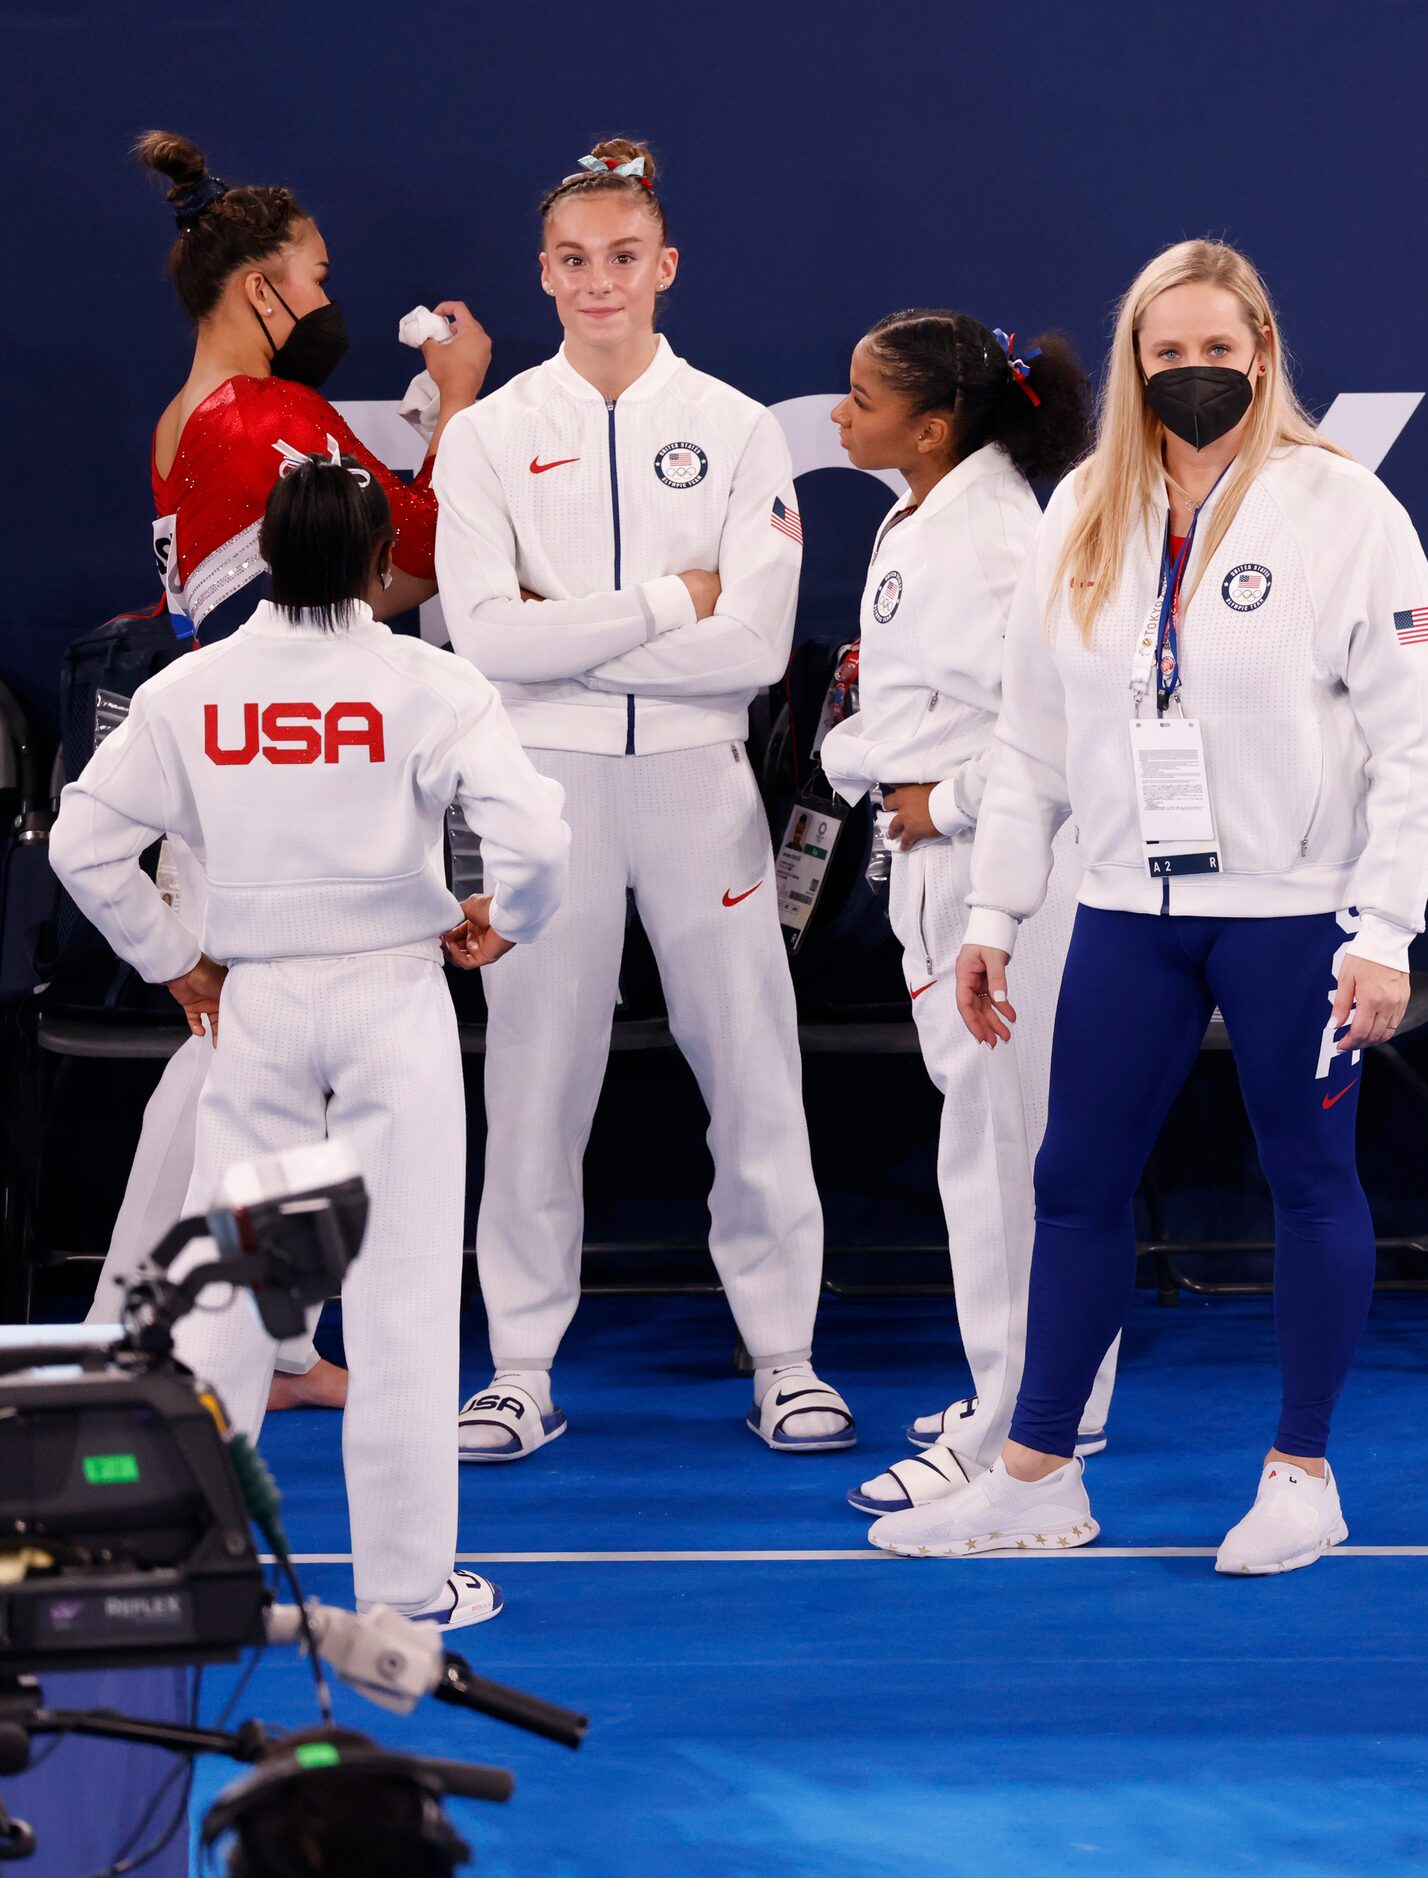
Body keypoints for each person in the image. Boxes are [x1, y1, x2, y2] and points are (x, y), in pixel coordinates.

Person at [866, 238, 1428, 1572]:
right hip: (1129, 900)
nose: (1194, 373)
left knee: (1307, 1180)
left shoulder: (1345, 510)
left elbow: (1417, 739)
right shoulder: (1082, 506)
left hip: (1295, 908)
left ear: (1262, 354)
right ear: (1135, 363)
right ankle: (1035, 1475)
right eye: (1166, 352)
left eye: (1217, 350)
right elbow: (1027, 741)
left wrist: (1383, 932)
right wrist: (995, 916)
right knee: (1072, 1181)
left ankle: (1301, 1472)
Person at [51, 451, 572, 1628]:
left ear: (266, 558)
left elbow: (83, 844)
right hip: (395, 1000)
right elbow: (536, 841)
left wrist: (174, 960)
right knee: (401, 1299)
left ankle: (190, 1573)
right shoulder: (432, 683)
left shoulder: (191, 691)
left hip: (258, 1006)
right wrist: (510, 920)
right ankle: (404, 1594)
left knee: (230, 1295)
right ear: (384, 565)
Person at [434, 138, 853, 1461]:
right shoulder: (492, 434)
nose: (598, 282)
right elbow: (483, 643)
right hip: (540, 788)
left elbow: (749, 653)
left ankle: (782, 1354)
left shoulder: (736, 428)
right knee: (534, 1083)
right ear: (543, 273)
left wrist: (580, 628)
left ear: (663, 267)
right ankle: (518, 1368)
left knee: (752, 1070)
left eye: (623, 258)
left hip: (697, 783)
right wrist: (675, 597)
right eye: (573, 260)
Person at [88, 131, 496, 1412]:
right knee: (226, 1076)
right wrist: (463, 400)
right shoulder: (266, 414)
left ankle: (268, 1342)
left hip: (263, 784)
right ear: (258, 284)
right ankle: (124, 1342)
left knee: (296, 1084)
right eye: (315, 276)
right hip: (264, 803)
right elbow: (402, 574)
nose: (329, 301)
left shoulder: (200, 413)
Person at [815, 309, 1120, 1511]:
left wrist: (943, 799)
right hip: (950, 864)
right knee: (1007, 1143)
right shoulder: (935, 512)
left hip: (1002, 877)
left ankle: (1010, 1425)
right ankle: (1061, 1402)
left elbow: (1062, 730)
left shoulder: (993, 537)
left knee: (999, 1156)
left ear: (932, 427)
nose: (838, 413)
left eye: (861, 397)